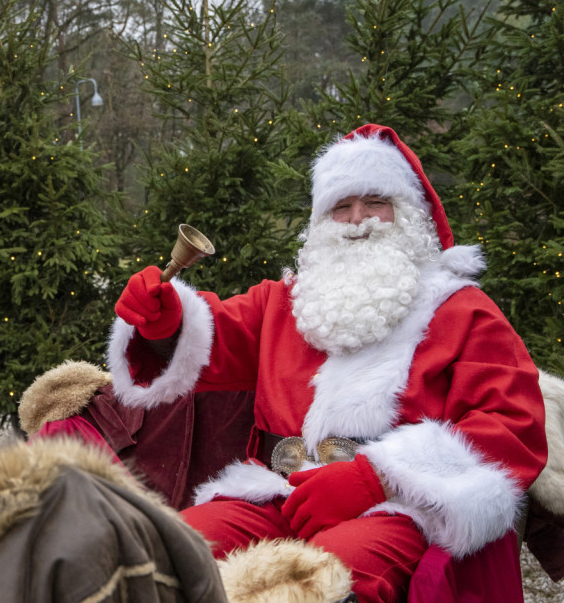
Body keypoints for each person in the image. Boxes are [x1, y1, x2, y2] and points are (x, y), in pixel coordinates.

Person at [108, 124, 548, 602]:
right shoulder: (287, 302)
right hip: (274, 490)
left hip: (397, 507)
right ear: (321, 221)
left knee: (329, 579)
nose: (357, 219)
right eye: (341, 206)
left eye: (375, 201)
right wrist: (166, 321)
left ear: (409, 214)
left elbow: (511, 426)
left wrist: (374, 477)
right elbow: (212, 339)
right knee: (172, 553)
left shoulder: (463, 311)